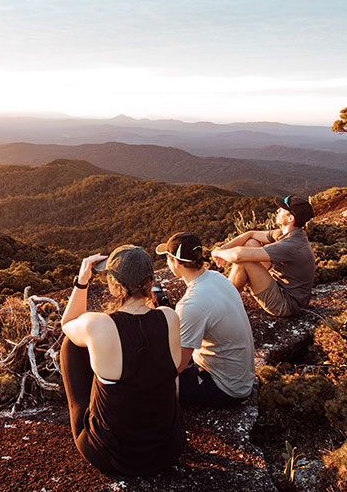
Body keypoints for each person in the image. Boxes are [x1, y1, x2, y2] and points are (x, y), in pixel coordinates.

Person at [60, 245, 185, 475]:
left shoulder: (99, 325)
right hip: (167, 450)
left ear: (116, 286)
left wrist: (82, 280)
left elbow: (67, 323)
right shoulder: (169, 317)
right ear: (150, 282)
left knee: (71, 345)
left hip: (109, 455)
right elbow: (173, 388)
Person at [157, 232, 255, 408]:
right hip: (240, 377)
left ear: (176, 262)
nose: (166, 262)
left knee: (153, 383)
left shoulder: (191, 304)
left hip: (226, 388)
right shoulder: (217, 278)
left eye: (168, 258)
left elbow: (177, 366)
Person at [211, 195, 316, 317]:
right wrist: (223, 248)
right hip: (281, 288)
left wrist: (217, 252)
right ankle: (228, 296)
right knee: (251, 243)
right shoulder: (288, 234)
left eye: (282, 209)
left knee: (245, 261)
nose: (277, 211)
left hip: (286, 305)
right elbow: (251, 234)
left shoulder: (291, 245)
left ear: (290, 218)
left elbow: (238, 256)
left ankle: (220, 302)